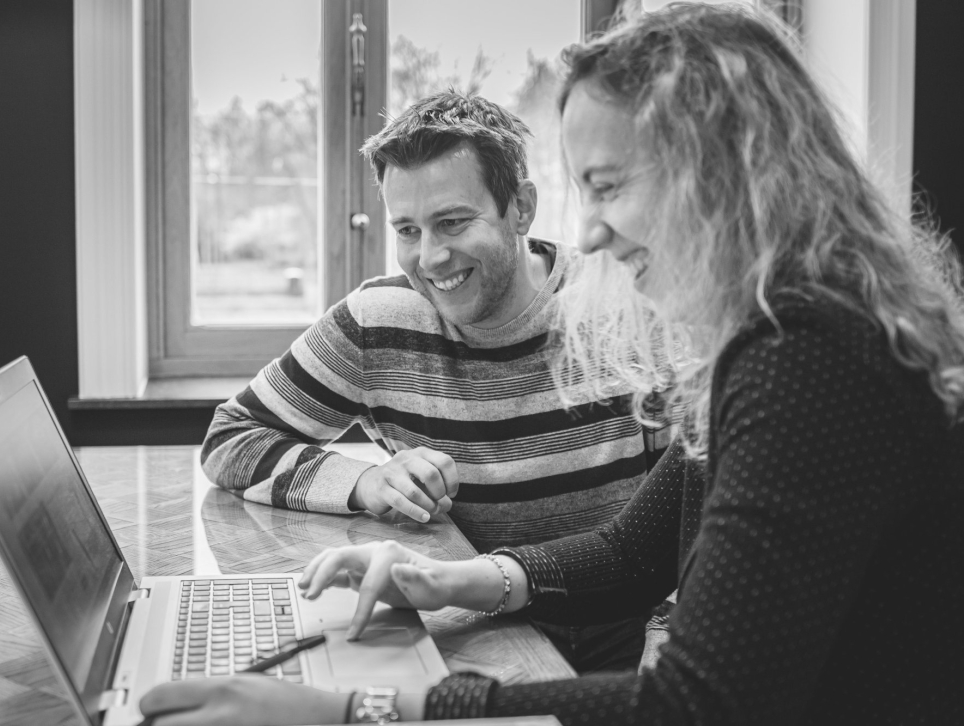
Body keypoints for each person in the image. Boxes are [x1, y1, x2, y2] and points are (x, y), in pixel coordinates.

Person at [141, 3, 964, 724]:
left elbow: (695, 706)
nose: (594, 232)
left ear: (721, 174)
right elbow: (632, 552)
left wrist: (359, 710)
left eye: (608, 186)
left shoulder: (807, 360)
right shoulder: (785, 329)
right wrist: (451, 580)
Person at [202, 90, 671, 671]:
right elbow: (230, 438)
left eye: (452, 222)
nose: (430, 257)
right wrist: (365, 484)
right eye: (407, 230)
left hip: (622, 635)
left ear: (521, 208)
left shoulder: (627, 300)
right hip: (471, 625)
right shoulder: (377, 322)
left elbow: (688, 515)